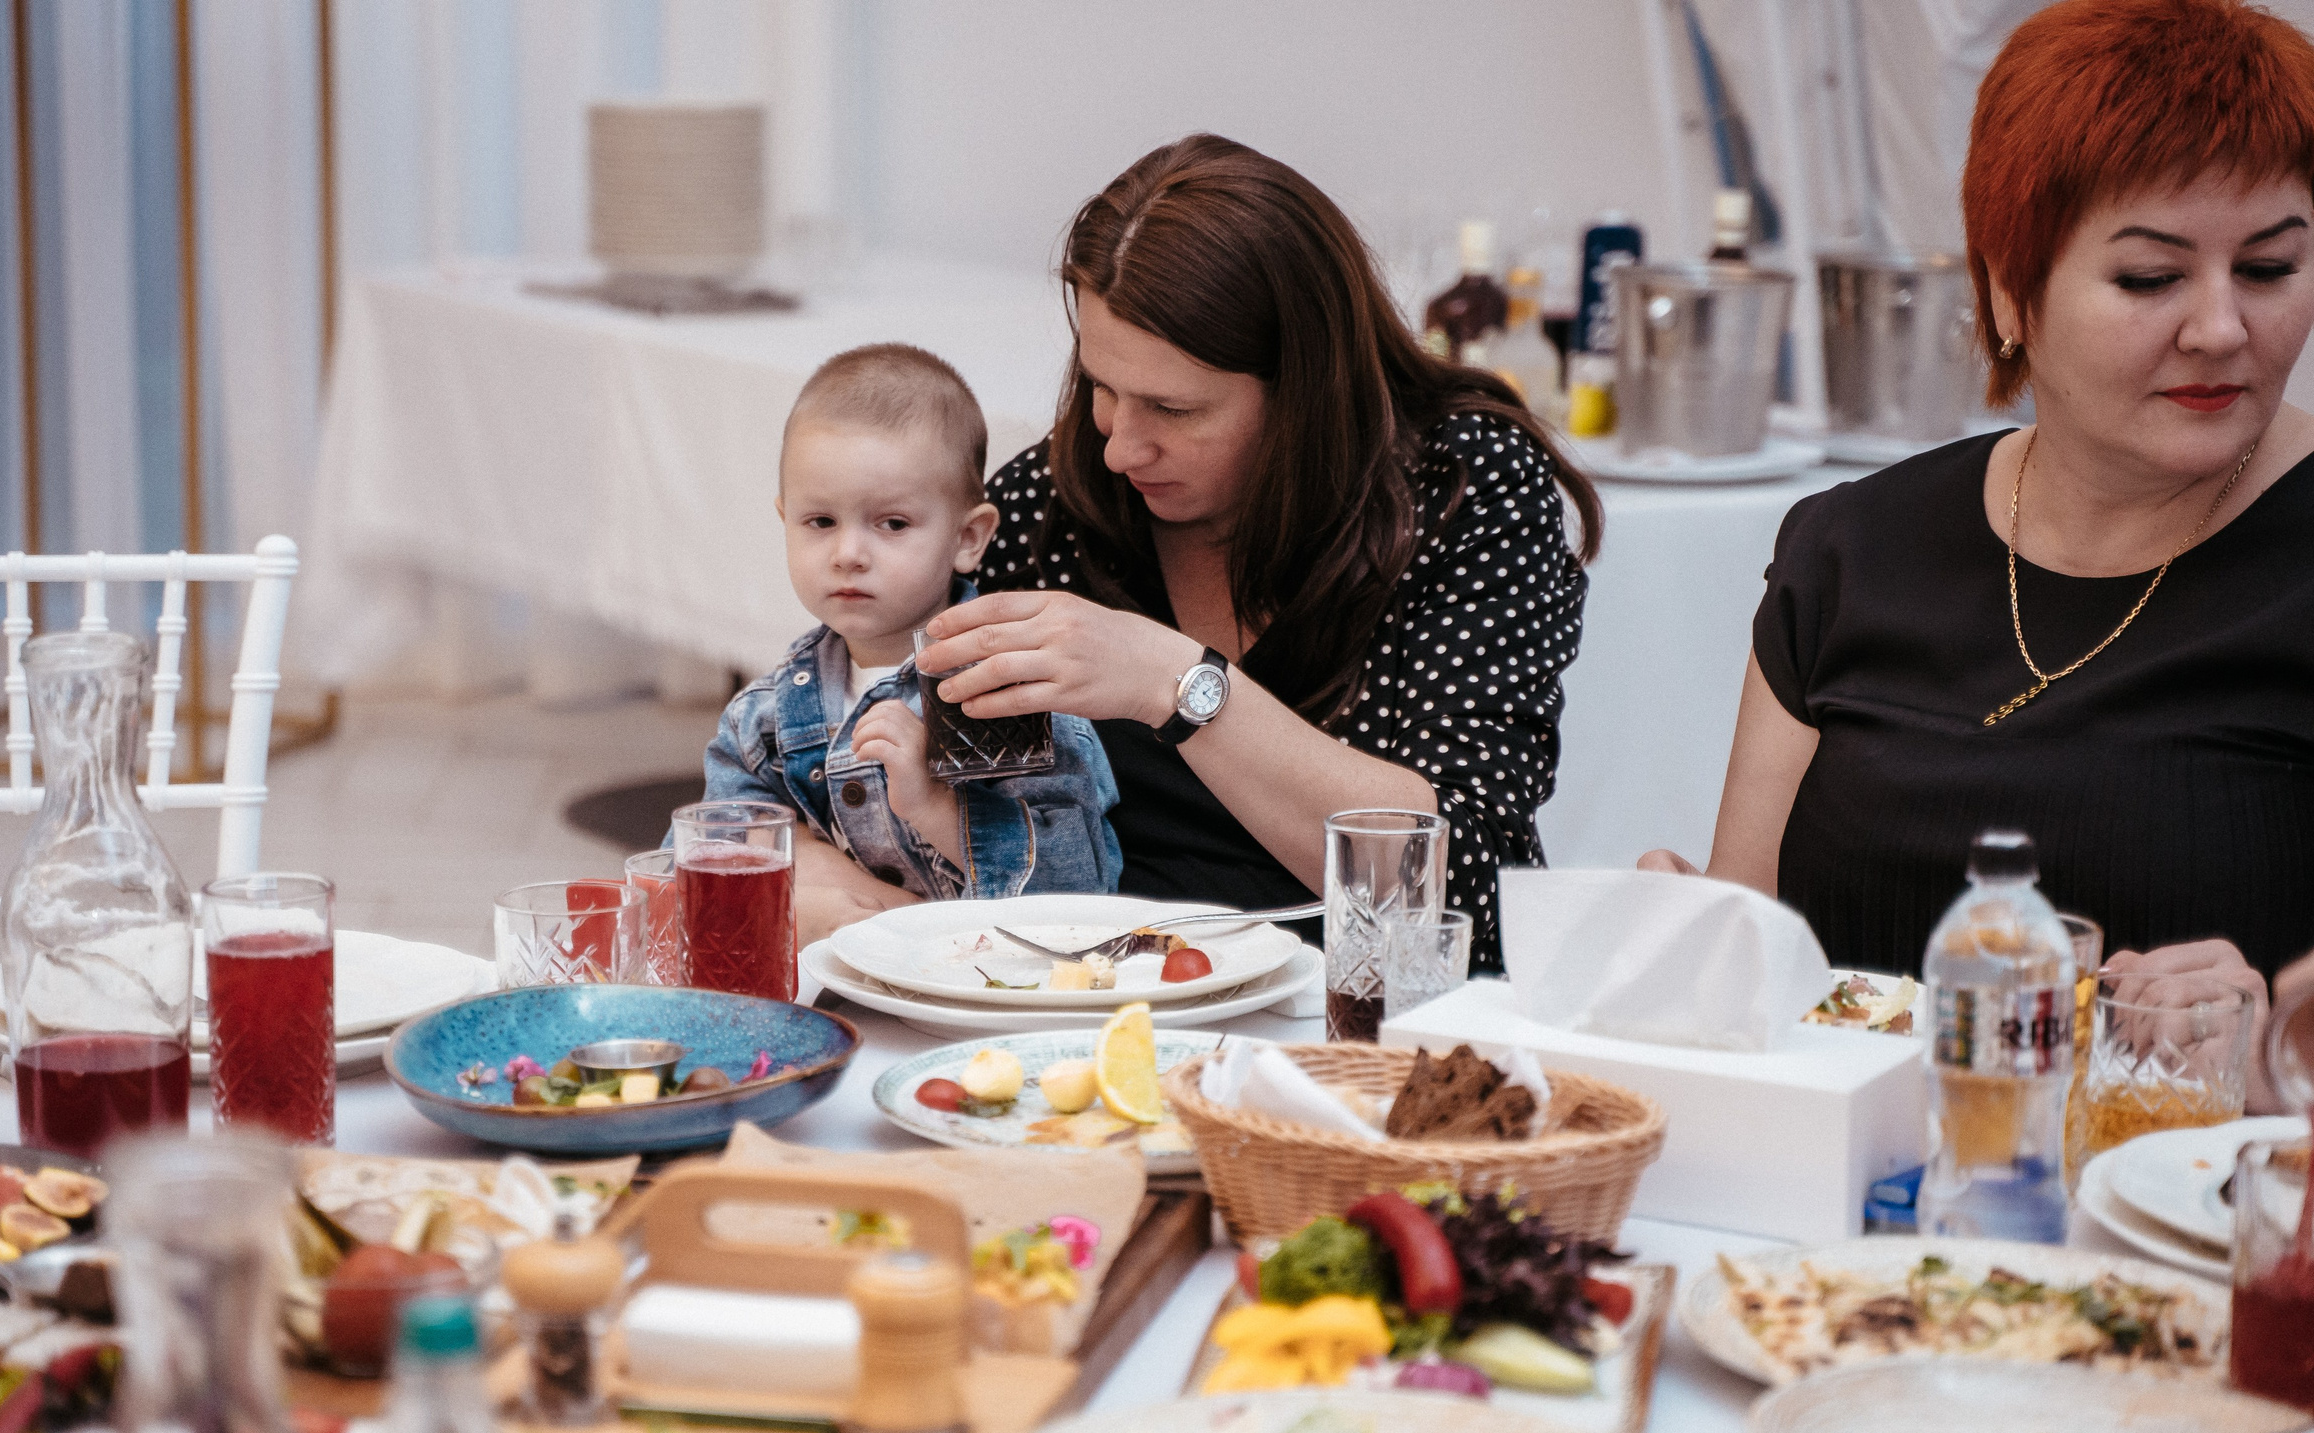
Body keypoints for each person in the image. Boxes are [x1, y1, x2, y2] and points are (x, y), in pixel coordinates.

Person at [1641, 0, 2314, 1097]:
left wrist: (2277, 1047)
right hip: (1849, 1194)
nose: (2220, 328)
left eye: (2270, 268)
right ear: (2009, 289)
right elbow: (1751, 950)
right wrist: (1684, 949)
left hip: (2191, 1187)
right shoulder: (1850, 550)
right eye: (2151, 279)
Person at [798, 135, 1601, 971]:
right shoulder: (1061, 498)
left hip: (1366, 1009)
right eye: (1103, 388)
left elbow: (1459, 884)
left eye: (1173, 409)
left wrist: (1178, 685)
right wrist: (829, 869)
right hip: (1109, 1001)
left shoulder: (1463, 487)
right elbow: (856, 745)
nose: (1120, 446)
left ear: (1304, 390)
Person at [696, 344, 1119, 910]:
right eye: (820, 521)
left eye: (892, 524)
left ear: (968, 538)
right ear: (785, 520)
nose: (848, 553)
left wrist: (936, 806)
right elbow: (703, 873)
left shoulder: (1012, 693)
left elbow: (1080, 890)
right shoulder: (763, 719)